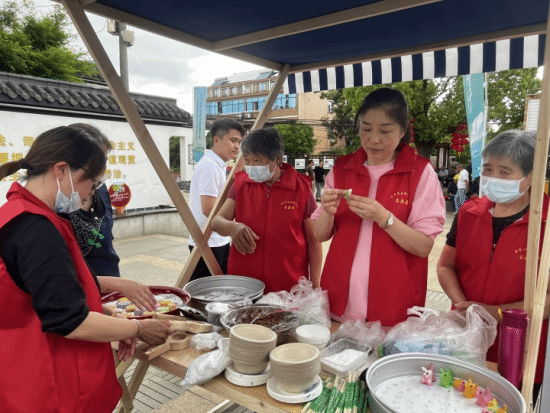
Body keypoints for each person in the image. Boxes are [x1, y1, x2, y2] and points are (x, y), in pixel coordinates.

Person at [0, 125, 173, 413]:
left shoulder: (15, 215)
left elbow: (39, 297)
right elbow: (69, 321)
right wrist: (138, 326)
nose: (86, 195)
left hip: (21, 374)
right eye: (89, 183)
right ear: (61, 170)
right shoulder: (36, 229)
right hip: (51, 389)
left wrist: (105, 313)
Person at [312, 88, 446, 326]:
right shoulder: (342, 169)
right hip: (338, 305)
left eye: (385, 131)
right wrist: (328, 213)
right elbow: (320, 234)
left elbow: (424, 246)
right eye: (365, 129)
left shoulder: (419, 172)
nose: (374, 139)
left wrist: (385, 218)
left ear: (403, 130)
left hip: (394, 308)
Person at [436, 129, 548, 387]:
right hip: (465, 339)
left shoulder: (546, 224)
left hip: (519, 348)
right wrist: (462, 305)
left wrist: (498, 313)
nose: (493, 177)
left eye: (505, 172)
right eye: (487, 169)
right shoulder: (469, 212)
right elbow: (445, 266)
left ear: (532, 176)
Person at [211, 128, 322, 292]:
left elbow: (314, 240)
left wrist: (316, 285)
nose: (251, 166)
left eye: (257, 160)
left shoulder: (301, 188)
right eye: (247, 160)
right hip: (245, 284)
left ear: (277, 159)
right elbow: (216, 221)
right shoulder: (241, 185)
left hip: (288, 285)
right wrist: (232, 227)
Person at [63, 123, 159, 312]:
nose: (103, 167)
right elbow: (59, 280)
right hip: (77, 295)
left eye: (105, 159)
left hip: (111, 286)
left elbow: (106, 237)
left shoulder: (101, 190)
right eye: (98, 160)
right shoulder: (59, 204)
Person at [189, 119, 245, 280]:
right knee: (205, 296)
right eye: (233, 140)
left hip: (216, 240)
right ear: (216, 140)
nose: (237, 146)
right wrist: (232, 225)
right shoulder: (210, 167)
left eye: (240, 142)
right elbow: (209, 209)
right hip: (209, 242)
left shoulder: (217, 165)